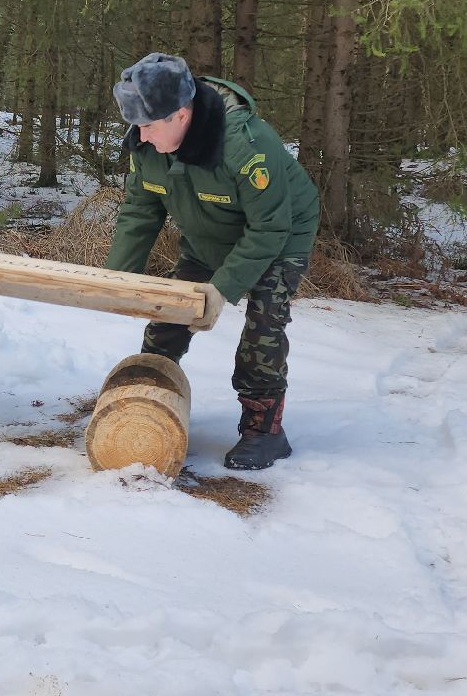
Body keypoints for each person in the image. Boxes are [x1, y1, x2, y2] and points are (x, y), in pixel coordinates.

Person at [103, 53, 320, 470]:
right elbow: (140, 210)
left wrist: (221, 290)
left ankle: (264, 430)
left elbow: (270, 228)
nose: (140, 135)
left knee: (263, 327)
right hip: (206, 233)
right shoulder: (147, 144)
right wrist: (117, 279)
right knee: (169, 316)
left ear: (181, 115)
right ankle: (146, 400)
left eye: (148, 125)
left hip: (280, 236)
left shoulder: (245, 145)